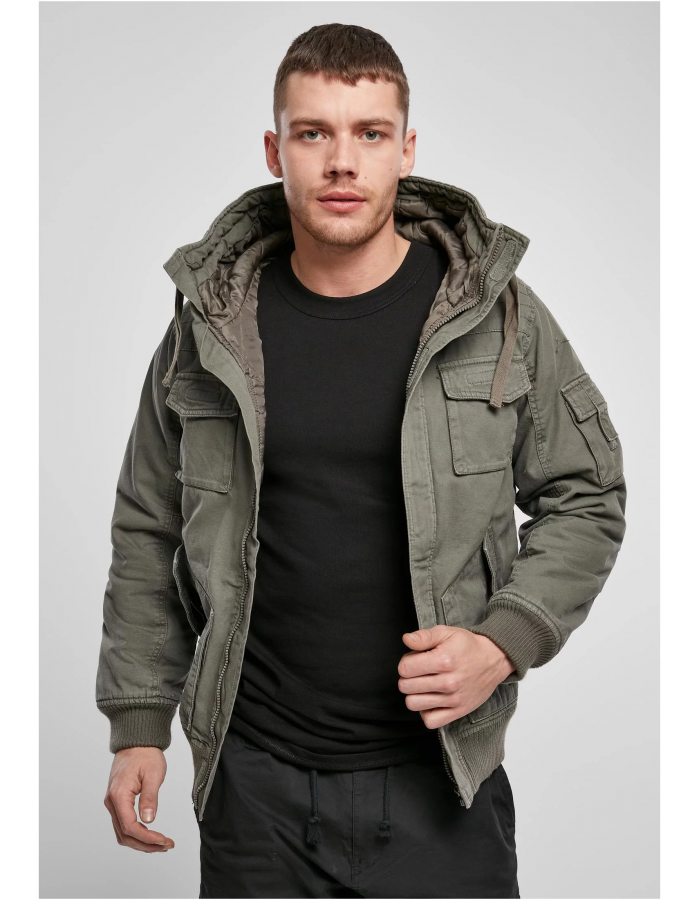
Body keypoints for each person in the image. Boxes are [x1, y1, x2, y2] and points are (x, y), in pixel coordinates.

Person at [96, 22, 626, 900]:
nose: (342, 163)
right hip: (256, 794)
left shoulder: (499, 318)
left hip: (442, 786)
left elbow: (588, 494)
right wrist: (138, 724)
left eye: (370, 133)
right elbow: (149, 528)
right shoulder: (209, 330)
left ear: (406, 150)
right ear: (276, 151)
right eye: (314, 133)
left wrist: (504, 642)